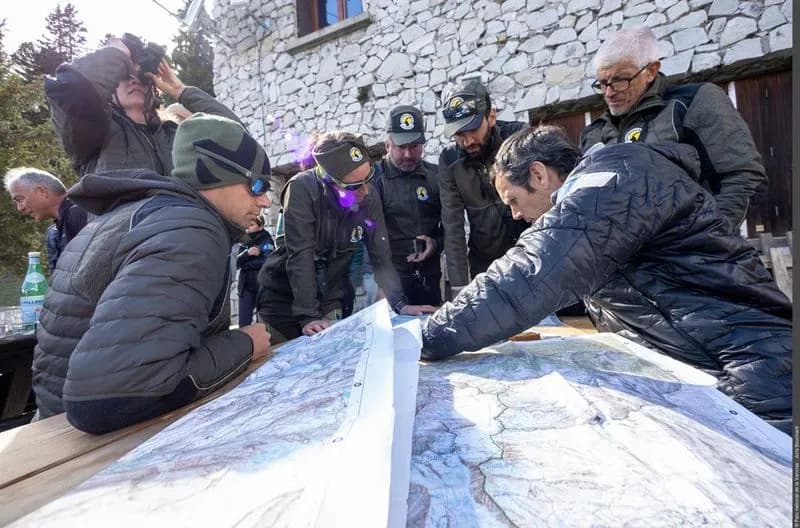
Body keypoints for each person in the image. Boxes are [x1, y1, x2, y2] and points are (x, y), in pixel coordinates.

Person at [422, 126, 792, 433]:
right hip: (716, 366)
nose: (516, 215)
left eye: (514, 200)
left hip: (760, 371)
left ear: (538, 173)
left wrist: (427, 337)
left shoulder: (613, 179)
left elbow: (534, 271)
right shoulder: (603, 192)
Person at [33, 113, 272, 434]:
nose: (266, 200)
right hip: (82, 449)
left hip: (52, 424)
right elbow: (106, 399)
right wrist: (244, 344)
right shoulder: (190, 231)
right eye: (257, 184)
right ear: (214, 174)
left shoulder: (144, 213)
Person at [257, 130, 437, 344]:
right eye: (353, 187)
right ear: (329, 182)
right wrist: (308, 316)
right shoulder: (301, 189)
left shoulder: (367, 194)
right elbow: (300, 257)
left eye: (367, 179)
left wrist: (399, 303)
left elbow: (381, 254)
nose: (364, 191)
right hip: (284, 298)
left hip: (330, 295)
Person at [580, 26, 766, 231]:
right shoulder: (595, 132)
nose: (609, 93)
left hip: (689, 254)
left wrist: (707, 240)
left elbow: (743, 177)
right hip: (621, 258)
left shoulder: (693, 102)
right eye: (602, 83)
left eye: (620, 80)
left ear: (651, 71)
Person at [45, 33, 239, 177]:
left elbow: (236, 138)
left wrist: (181, 90)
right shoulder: (94, 135)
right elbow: (69, 90)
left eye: (142, 77)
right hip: (129, 231)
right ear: (109, 87)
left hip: (189, 229)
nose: (135, 81)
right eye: (123, 77)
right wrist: (118, 52)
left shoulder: (178, 134)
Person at [438, 79, 528, 298]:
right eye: (459, 134)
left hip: (530, 257)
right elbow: (453, 228)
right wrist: (459, 289)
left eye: (472, 129)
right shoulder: (449, 160)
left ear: (491, 116)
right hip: (487, 265)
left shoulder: (520, 138)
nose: (467, 141)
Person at [374, 105, 442, 305]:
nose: (407, 154)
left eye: (413, 146)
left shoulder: (437, 176)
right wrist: (382, 285)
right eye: (401, 147)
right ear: (388, 145)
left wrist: (436, 243)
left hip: (429, 277)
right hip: (388, 281)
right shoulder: (373, 180)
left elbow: (451, 227)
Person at [3, 167, 87, 270]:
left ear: (42, 192)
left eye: (20, 199)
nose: (20, 208)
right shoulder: (54, 232)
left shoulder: (81, 214)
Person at [236, 215, 275, 327]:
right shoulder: (244, 240)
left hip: (262, 286)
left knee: (263, 323)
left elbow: (267, 261)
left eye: (252, 225)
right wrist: (248, 253)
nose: (248, 227)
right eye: (248, 224)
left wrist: (246, 264)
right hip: (245, 286)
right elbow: (237, 262)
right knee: (243, 323)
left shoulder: (266, 239)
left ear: (261, 226)